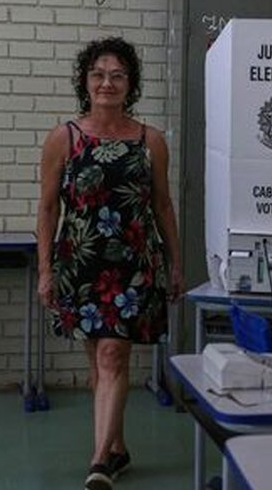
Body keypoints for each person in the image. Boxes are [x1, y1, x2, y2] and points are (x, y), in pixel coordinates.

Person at [36, 37, 183, 490]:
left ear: (130, 84)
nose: (107, 83)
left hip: (133, 265)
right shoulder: (65, 138)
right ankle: (117, 448)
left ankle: (99, 461)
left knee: (113, 353)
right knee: (99, 366)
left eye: (117, 75)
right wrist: (45, 270)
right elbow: (47, 209)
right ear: (86, 81)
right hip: (80, 263)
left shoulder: (150, 140)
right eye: (99, 74)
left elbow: (162, 205)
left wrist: (175, 263)